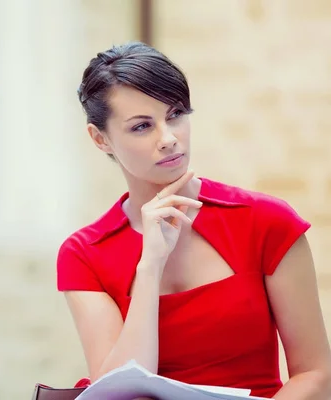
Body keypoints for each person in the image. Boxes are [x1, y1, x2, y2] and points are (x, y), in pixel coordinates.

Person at [56, 42, 331, 399]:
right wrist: (150, 265)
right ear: (100, 139)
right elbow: (118, 393)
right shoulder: (84, 254)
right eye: (142, 126)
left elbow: (316, 373)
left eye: (175, 115)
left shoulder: (266, 222)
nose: (169, 139)